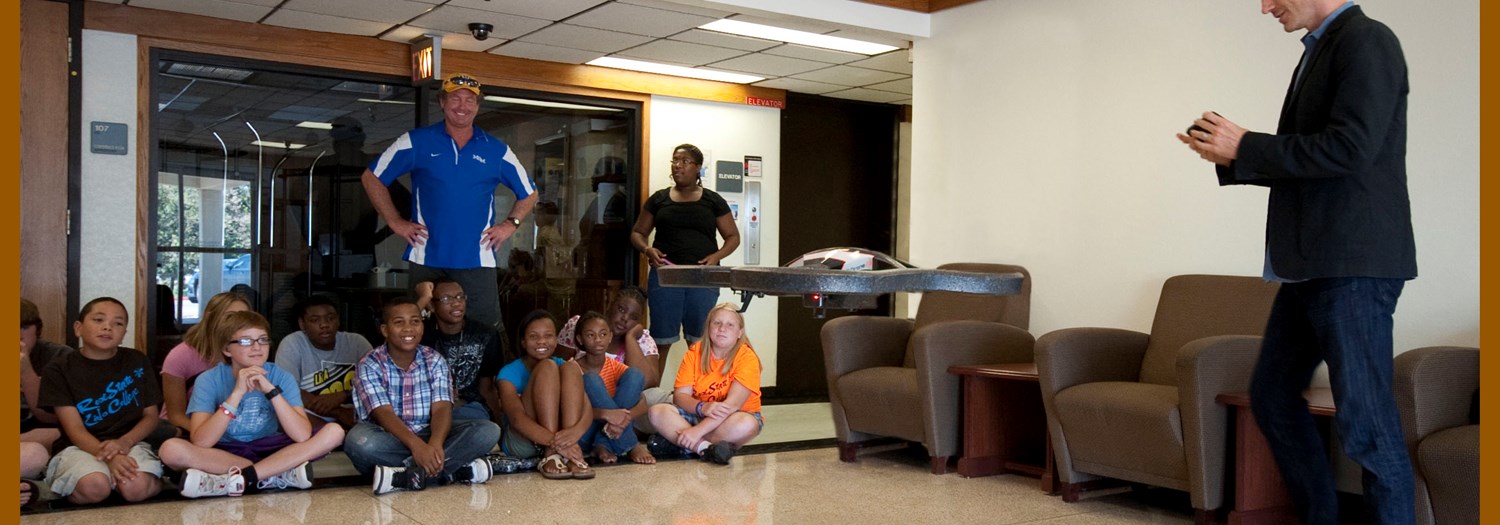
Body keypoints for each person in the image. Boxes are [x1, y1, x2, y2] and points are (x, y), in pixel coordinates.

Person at [1178, 2, 1415, 523]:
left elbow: (1351, 149)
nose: (1265, 6)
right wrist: (1235, 156)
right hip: (1313, 266)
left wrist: (1248, 146)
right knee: (1272, 396)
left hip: (1352, 266)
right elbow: (1316, 158)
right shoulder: (1321, 49)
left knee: (1369, 430)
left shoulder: (1366, 40)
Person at [360, 72, 539, 330]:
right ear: (442, 102)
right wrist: (395, 221)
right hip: (426, 255)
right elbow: (372, 178)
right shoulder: (417, 141)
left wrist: (510, 223)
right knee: (419, 330)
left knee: (485, 332)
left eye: (469, 100)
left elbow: (530, 192)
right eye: (455, 98)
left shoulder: (496, 149)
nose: (462, 106)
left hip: (477, 259)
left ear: (477, 106)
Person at [158, 311, 345, 498]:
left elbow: (301, 434)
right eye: (246, 341)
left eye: (263, 340)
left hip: (271, 449)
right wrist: (236, 393)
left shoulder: (281, 376)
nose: (257, 347)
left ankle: (235, 479)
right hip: (225, 451)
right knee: (171, 449)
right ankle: (274, 474)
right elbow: (202, 440)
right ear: (226, 349)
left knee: (334, 432)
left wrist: (272, 392)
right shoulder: (208, 379)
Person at [345, 297, 502, 495]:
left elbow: (442, 408)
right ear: (385, 330)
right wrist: (418, 447)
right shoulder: (370, 363)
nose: (408, 328)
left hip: (430, 434)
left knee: (487, 431)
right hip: (390, 437)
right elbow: (382, 413)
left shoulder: (434, 360)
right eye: (399, 322)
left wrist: (434, 444)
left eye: (415, 321)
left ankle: (405, 476)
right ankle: (452, 471)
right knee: (358, 441)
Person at [38, 298, 163, 504]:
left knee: (135, 488)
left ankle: (157, 480)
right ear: (78, 328)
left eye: (118, 323)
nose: (107, 327)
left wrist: (124, 443)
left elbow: (151, 416)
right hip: (79, 446)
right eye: (98, 320)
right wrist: (110, 457)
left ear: (124, 334)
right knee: (95, 487)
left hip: (130, 442)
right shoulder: (58, 369)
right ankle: (86, 480)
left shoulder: (137, 360)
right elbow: (75, 430)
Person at [630, 144, 740, 360]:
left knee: (699, 342)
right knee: (660, 341)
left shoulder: (712, 200)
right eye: (675, 161)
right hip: (666, 277)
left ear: (698, 167)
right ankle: (654, 393)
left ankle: (699, 392)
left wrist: (716, 257)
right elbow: (637, 232)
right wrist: (647, 249)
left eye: (685, 161)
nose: (678, 166)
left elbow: (733, 237)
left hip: (703, 278)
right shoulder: (659, 199)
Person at [647, 303, 763, 465]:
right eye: (717, 323)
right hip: (698, 413)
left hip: (733, 416)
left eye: (730, 325)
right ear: (708, 327)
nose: (722, 328)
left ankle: (681, 444)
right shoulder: (695, 352)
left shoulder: (747, 357)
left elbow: (731, 406)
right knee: (657, 411)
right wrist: (702, 407)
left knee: (746, 424)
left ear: (739, 332)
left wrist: (696, 432)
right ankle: (707, 449)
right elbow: (680, 397)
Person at [496, 310, 593, 480]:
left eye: (548, 336)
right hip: (523, 442)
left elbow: (587, 409)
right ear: (523, 342)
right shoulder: (508, 373)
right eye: (534, 337)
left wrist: (574, 435)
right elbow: (517, 419)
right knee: (546, 367)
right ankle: (552, 454)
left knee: (571, 368)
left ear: (556, 340)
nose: (541, 341)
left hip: (564, 441)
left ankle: (566, 455)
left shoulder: (563, 365)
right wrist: (555, 443)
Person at [414, 278, 508, 424]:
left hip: (467, 410)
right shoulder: (421, 334)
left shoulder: (485, 334)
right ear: (432, 305)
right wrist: (424, 298)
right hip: (426, 407)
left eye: (460, 297)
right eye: (446, 299)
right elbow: (399, 332)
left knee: (484, 430)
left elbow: (487, 388)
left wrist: (498, 425)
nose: (456, 303)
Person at [274, 295, 373, 429]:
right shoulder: (292, 343)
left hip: (353, 414)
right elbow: (286, 390)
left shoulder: (356, 343)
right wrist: (337, 412)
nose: (324, 325)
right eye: (315, 320)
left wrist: (343, 396)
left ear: (338, 320)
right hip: (309, 415)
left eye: (330, 318)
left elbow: (375, 384)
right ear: (302, 324)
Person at [570, 311, 654, 465]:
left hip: (612, 431)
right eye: (590, 335)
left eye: (603, 334)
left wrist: (623, 419)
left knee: (635, 374)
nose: (598, 340)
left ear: (610, 337)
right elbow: (571, 411)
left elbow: (643, 404)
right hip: (584, 431)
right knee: (591, 380)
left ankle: (602, 444)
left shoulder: (615, 367)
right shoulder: (572, 368)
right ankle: (631, 445)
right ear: (580, 339)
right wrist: (607, 414)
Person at [162, 292, 251, 433]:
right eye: (230, 316)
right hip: (186, 428)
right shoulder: (180, 356)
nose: (237, 323)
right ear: (210, 318)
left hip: (232, 429)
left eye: (244, 317)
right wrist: (212, 435)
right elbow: (176, 415)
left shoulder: (250, 352)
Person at [21, 298, 73, 450]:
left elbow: (53, 418)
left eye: (24, 327)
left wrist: (26, 371)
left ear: (37, 329)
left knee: (68, 434)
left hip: (42, 430)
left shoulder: (61, 356)